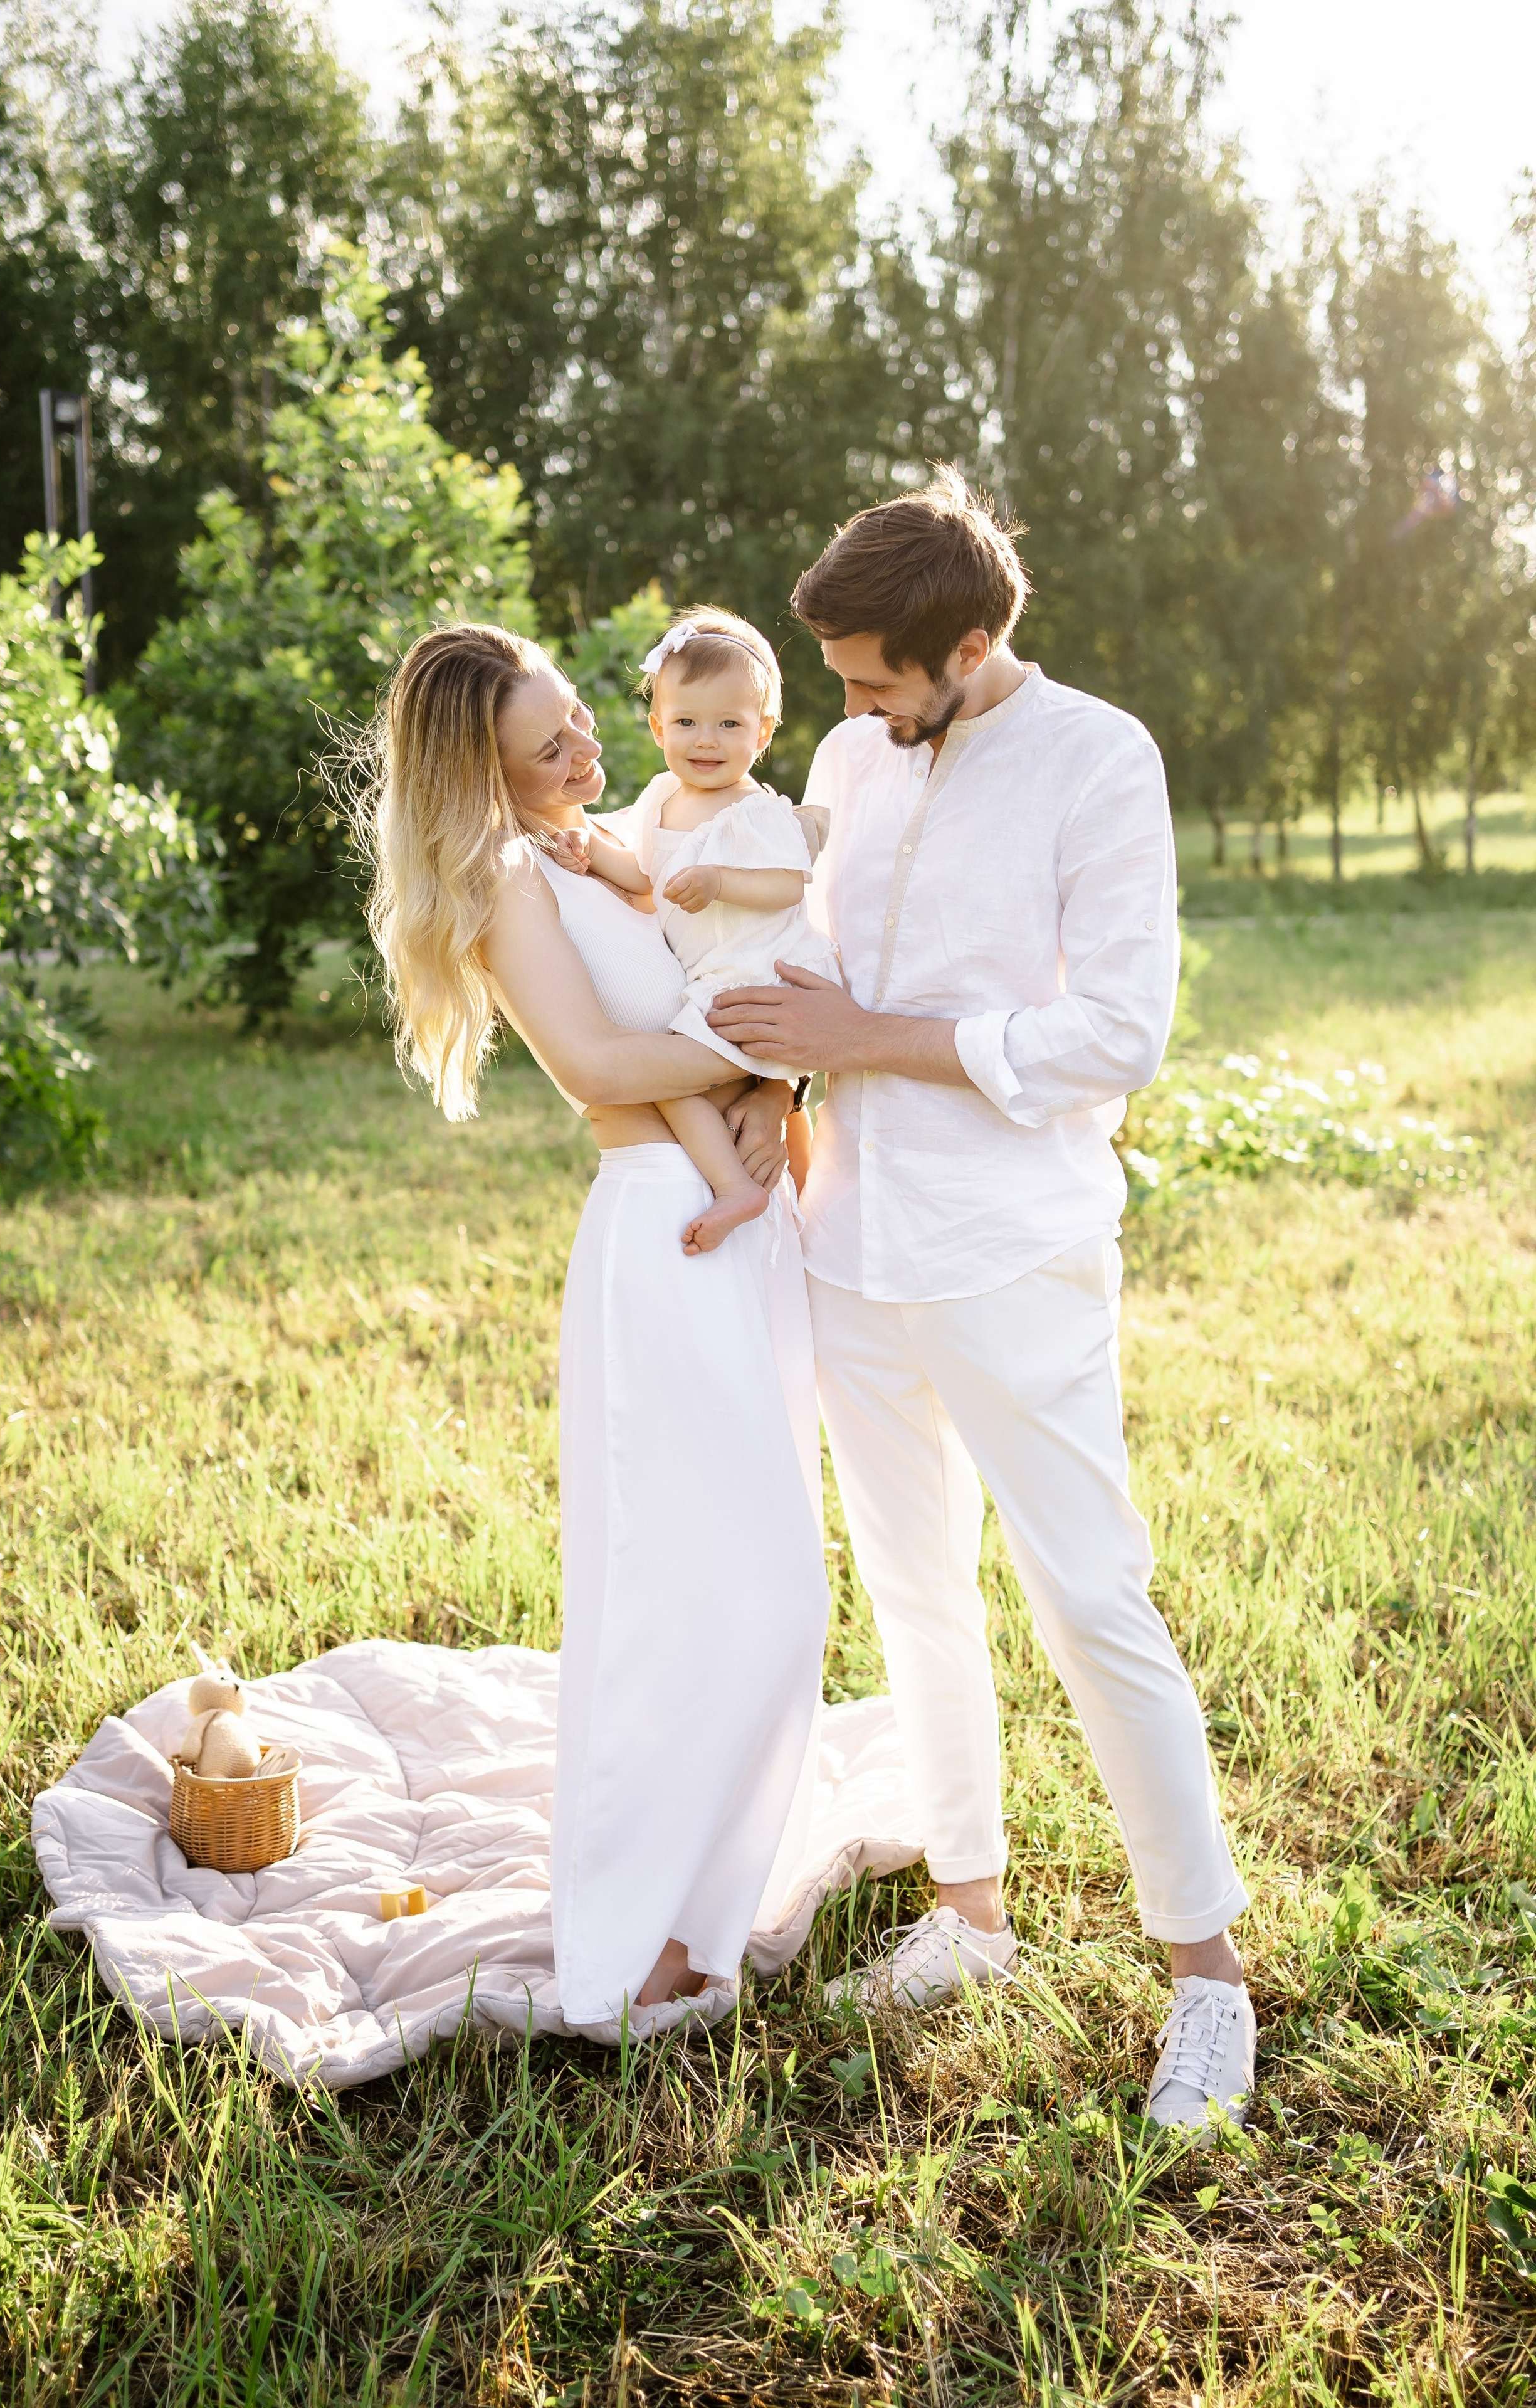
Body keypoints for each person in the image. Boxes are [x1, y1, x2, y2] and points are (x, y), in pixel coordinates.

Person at [707, 468, 1256, 2128]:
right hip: (847, 1240)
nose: (855, 709)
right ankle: (972, 1913)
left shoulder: (1101, 757)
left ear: (966, 643)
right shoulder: (852, 759)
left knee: (1092, 1601)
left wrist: (871, 1041)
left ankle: (1210, 1982)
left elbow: (1116, 1037)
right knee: (913, 1591)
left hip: (1012, 1247)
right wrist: (766, 1066)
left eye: (878, 678)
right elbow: (824, 971)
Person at [359, 621, 828, 2041]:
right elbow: (603, 1067)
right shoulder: (505, 877)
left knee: (767, 1582)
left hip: (745, 1231)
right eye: (546, 743)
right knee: (694, 1589)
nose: (586, 751)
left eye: (577, 717)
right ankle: (638, 1931)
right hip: (662, 1236)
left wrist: (787, 1079)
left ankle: (699, 1897)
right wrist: (795, 1040)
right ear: (481, 772)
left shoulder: (600, 839)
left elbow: (736, 940)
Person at [557, 607, 839, 1252]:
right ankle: (746, 1193)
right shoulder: (660, 799)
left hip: (753, 979)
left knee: (662, 1076)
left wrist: (719, 882)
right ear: (658, 726)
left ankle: (737, 1189)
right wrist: (591, 855)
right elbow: (643, 874)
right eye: (686, 722)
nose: (705, 740)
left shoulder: (756, 810)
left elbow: (786, 884)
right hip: (708, 982)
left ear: (762, 732)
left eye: (729, 724)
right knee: (669, 1078)